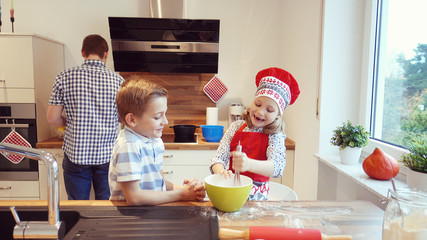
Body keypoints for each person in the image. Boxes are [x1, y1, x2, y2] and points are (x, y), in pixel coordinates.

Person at [47, 34, 124, 200]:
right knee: (108, 206)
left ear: (83, 52)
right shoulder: (118, 81)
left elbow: (53, 119)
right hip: (107, 155)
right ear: (106, 53)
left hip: (76, 153)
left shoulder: (64, 77)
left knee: (77, 206)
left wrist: (72, 122)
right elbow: (122, 118)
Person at [109, 78, 206, 205]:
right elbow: (134, 198)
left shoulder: (155, 141)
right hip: (130, 217)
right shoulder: (129, 146)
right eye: (157, 116)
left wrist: (188, 191)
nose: (165, 121)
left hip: (151, 212)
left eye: (165, 113)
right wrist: (180, 194)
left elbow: (160, 182)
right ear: (132, 120)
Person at [210, 67, 300, 201]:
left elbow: (277, 168)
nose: (260, 112)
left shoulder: (276, 135)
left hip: (258, 202)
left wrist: (248, 164)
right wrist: (221, 172)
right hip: (232, 195)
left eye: (269, 110)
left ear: (278, 115)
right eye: (258, 104)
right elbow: (218, 158)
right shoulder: (236, 127)